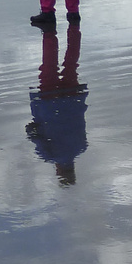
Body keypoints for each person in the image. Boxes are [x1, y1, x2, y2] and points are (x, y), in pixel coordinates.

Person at [25, 21, 88, 186]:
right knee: (48, 65)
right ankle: (48, 35)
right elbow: (33, 133)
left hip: (73, 99)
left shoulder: (82, 147)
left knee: (71, 65)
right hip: (48, 104)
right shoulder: (50, 156)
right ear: (59, 171)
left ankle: (70, 31)